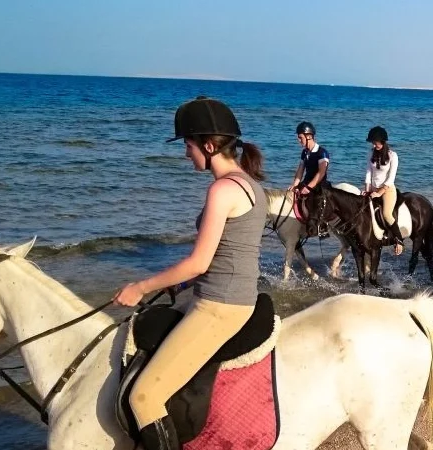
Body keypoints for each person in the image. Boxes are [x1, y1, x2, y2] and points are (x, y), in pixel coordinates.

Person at [112, 96, 267, 450]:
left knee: (143, 398)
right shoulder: (250, 184)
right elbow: (231, 255)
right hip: (230, 296)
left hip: (219, 306)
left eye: (189, 145)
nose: (186, 154)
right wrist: (181, 281)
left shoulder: (222, 189)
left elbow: (199, 261)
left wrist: (140, 286)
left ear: (209, 146)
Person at [363, 125, 403, 256]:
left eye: (376, 143)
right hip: (373, 189)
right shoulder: (370, 153)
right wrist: (367, 190)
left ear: (383, 141)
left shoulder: (393, 156)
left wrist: (379, 193)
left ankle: (399, 240)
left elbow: (391, 178)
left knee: (386, 214)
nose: (374, 145)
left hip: (387, 190)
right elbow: (369, 173)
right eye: (373, 143)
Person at [288, 121, 330, 195]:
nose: (298, 140)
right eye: (298, 137)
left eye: (300, 137)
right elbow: (300, 171)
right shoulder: (304, 152)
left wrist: (308, 187)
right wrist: (295, 185)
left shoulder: (322, 152)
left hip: (319, 186)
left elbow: (321, 173)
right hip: (306, 183)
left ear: (309, 136)